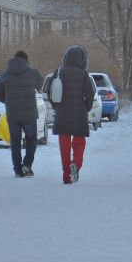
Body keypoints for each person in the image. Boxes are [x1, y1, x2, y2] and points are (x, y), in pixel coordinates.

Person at [44, 45, 95, 184]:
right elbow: (90, 95)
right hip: (79, 113)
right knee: (79, 143)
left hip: (62, 113)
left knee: (64, 144)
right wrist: (86, 108)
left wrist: (57, 107)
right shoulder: (84, 74)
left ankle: (66, 176)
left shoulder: (59, 72)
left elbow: (49, 92)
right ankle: (76, 164)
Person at [0, 50, 43, 178]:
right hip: (29, 114)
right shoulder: (33, 73)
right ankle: (27, 165)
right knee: (31, 139)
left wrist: (8, 101)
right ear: (26, 60)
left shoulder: (5, 74)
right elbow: (40, 85)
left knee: (15, 141)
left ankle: (17, 169)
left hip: (13, 114)